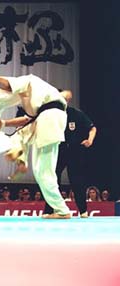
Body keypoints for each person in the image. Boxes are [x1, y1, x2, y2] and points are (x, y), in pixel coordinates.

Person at [0, 72, 71, 219]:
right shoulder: (36, 98)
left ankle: (62, 211)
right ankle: (19, 155)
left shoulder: (28, 81)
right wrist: (4, 123)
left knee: (44, 172)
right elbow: (26, 120)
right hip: (48, 118)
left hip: (49, 118)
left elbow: (6, 83)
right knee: (41, 170)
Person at [42, 90, 97, 218]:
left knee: (77, 181)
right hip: (57, 151)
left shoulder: (75, 114)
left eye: (67, 98)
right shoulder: (50, 114)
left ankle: (83, 211)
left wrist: (90, 140)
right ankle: (49, 210)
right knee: (52, 181)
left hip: (74, 151)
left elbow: (92, 128)